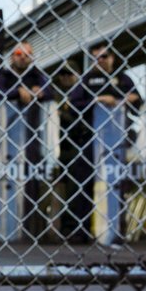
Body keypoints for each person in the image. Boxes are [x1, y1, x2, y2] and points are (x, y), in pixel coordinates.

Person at [71, 44, 142, 245]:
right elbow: (74, 104)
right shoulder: (86, 80)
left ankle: (116, 229)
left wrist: (118, 99)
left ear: (112, 58)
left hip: (116, 138)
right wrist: (98, 99)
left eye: (104, 57)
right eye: (95, 58)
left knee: (116, 183)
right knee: (84, 183)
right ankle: (82, 230)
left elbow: (137, 99)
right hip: (91, 137)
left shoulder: (123, 78)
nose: (100, 61)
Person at [0, 41, 53, 242]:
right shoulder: (3, 75)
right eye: (18, 53)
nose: (23, 57)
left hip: (30, 142)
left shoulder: (38, 75)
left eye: (27, 54)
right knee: (1, 183)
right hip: (2, 142)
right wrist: (18, 92)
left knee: (31, 184)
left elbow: (51, 92)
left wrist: (36, 92)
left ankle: (31, 230)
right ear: (11, 57)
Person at [53, 62, 93, 243]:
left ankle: (74, 227)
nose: (66, 77)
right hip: (59, 147)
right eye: (62, 74)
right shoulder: (56, 94)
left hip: (77, 145)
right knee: (60, 189)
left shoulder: (82, 91)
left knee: (76, 189)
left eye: (69, 74)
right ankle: (61, 227)